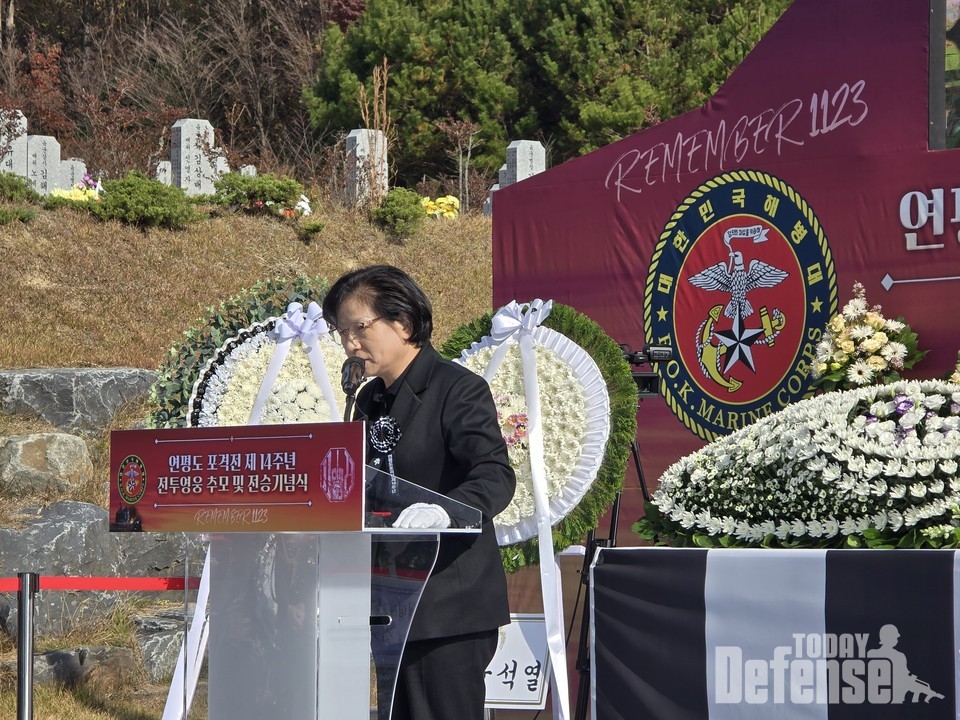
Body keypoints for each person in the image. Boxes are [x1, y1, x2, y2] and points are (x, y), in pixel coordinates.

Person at [322, 264, 516, 720]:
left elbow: (494, 474)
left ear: (403, 323)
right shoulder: (369, 400)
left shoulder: (457, 389)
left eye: (358, 328)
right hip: (390, 599)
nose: (350, 343)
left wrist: (445, 511)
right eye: (341, 332)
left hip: (448, 600)